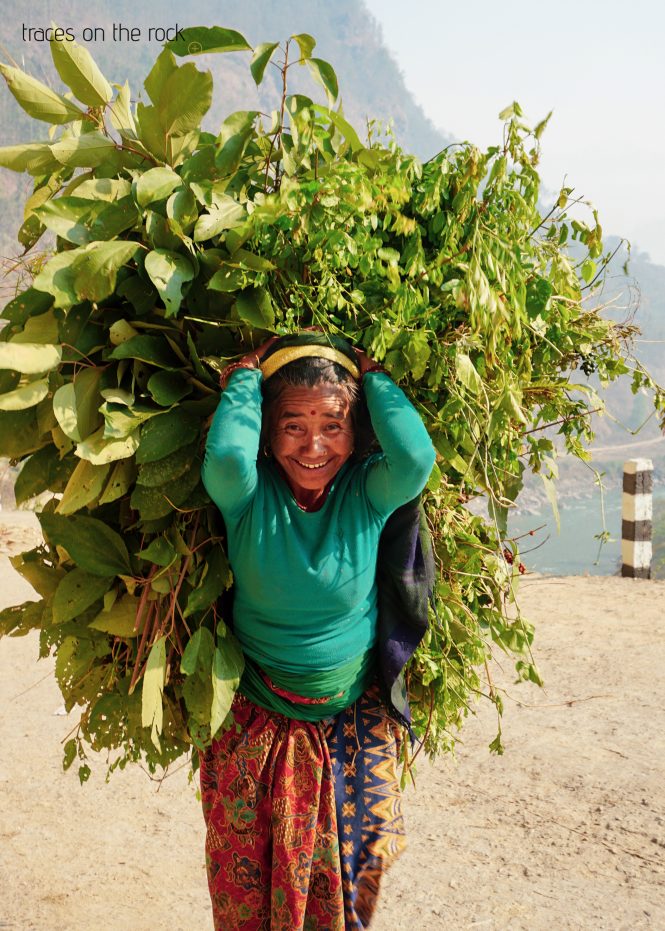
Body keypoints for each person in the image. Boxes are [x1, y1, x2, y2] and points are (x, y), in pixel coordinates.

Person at [200, 331, 436, 930]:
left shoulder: (367, 492)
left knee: (349, 901)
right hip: (257, 726)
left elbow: (415, 458)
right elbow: (226, 456)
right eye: (293, 424)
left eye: (333, 424)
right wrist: (246, 378)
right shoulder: (248, 497)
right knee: (247, 900)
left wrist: (376, 377)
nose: (313, 445)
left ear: (357, 435)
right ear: (267, 432)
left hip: (350, 729)